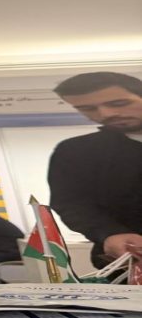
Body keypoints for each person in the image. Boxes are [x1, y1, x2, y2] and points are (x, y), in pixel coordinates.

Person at [48, 71, 142, 269]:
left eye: (119, 103)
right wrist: (109, 233)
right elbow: (72, 204)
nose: (105, 114)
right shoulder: (75, 151)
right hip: (127, 266)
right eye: (88, 109)